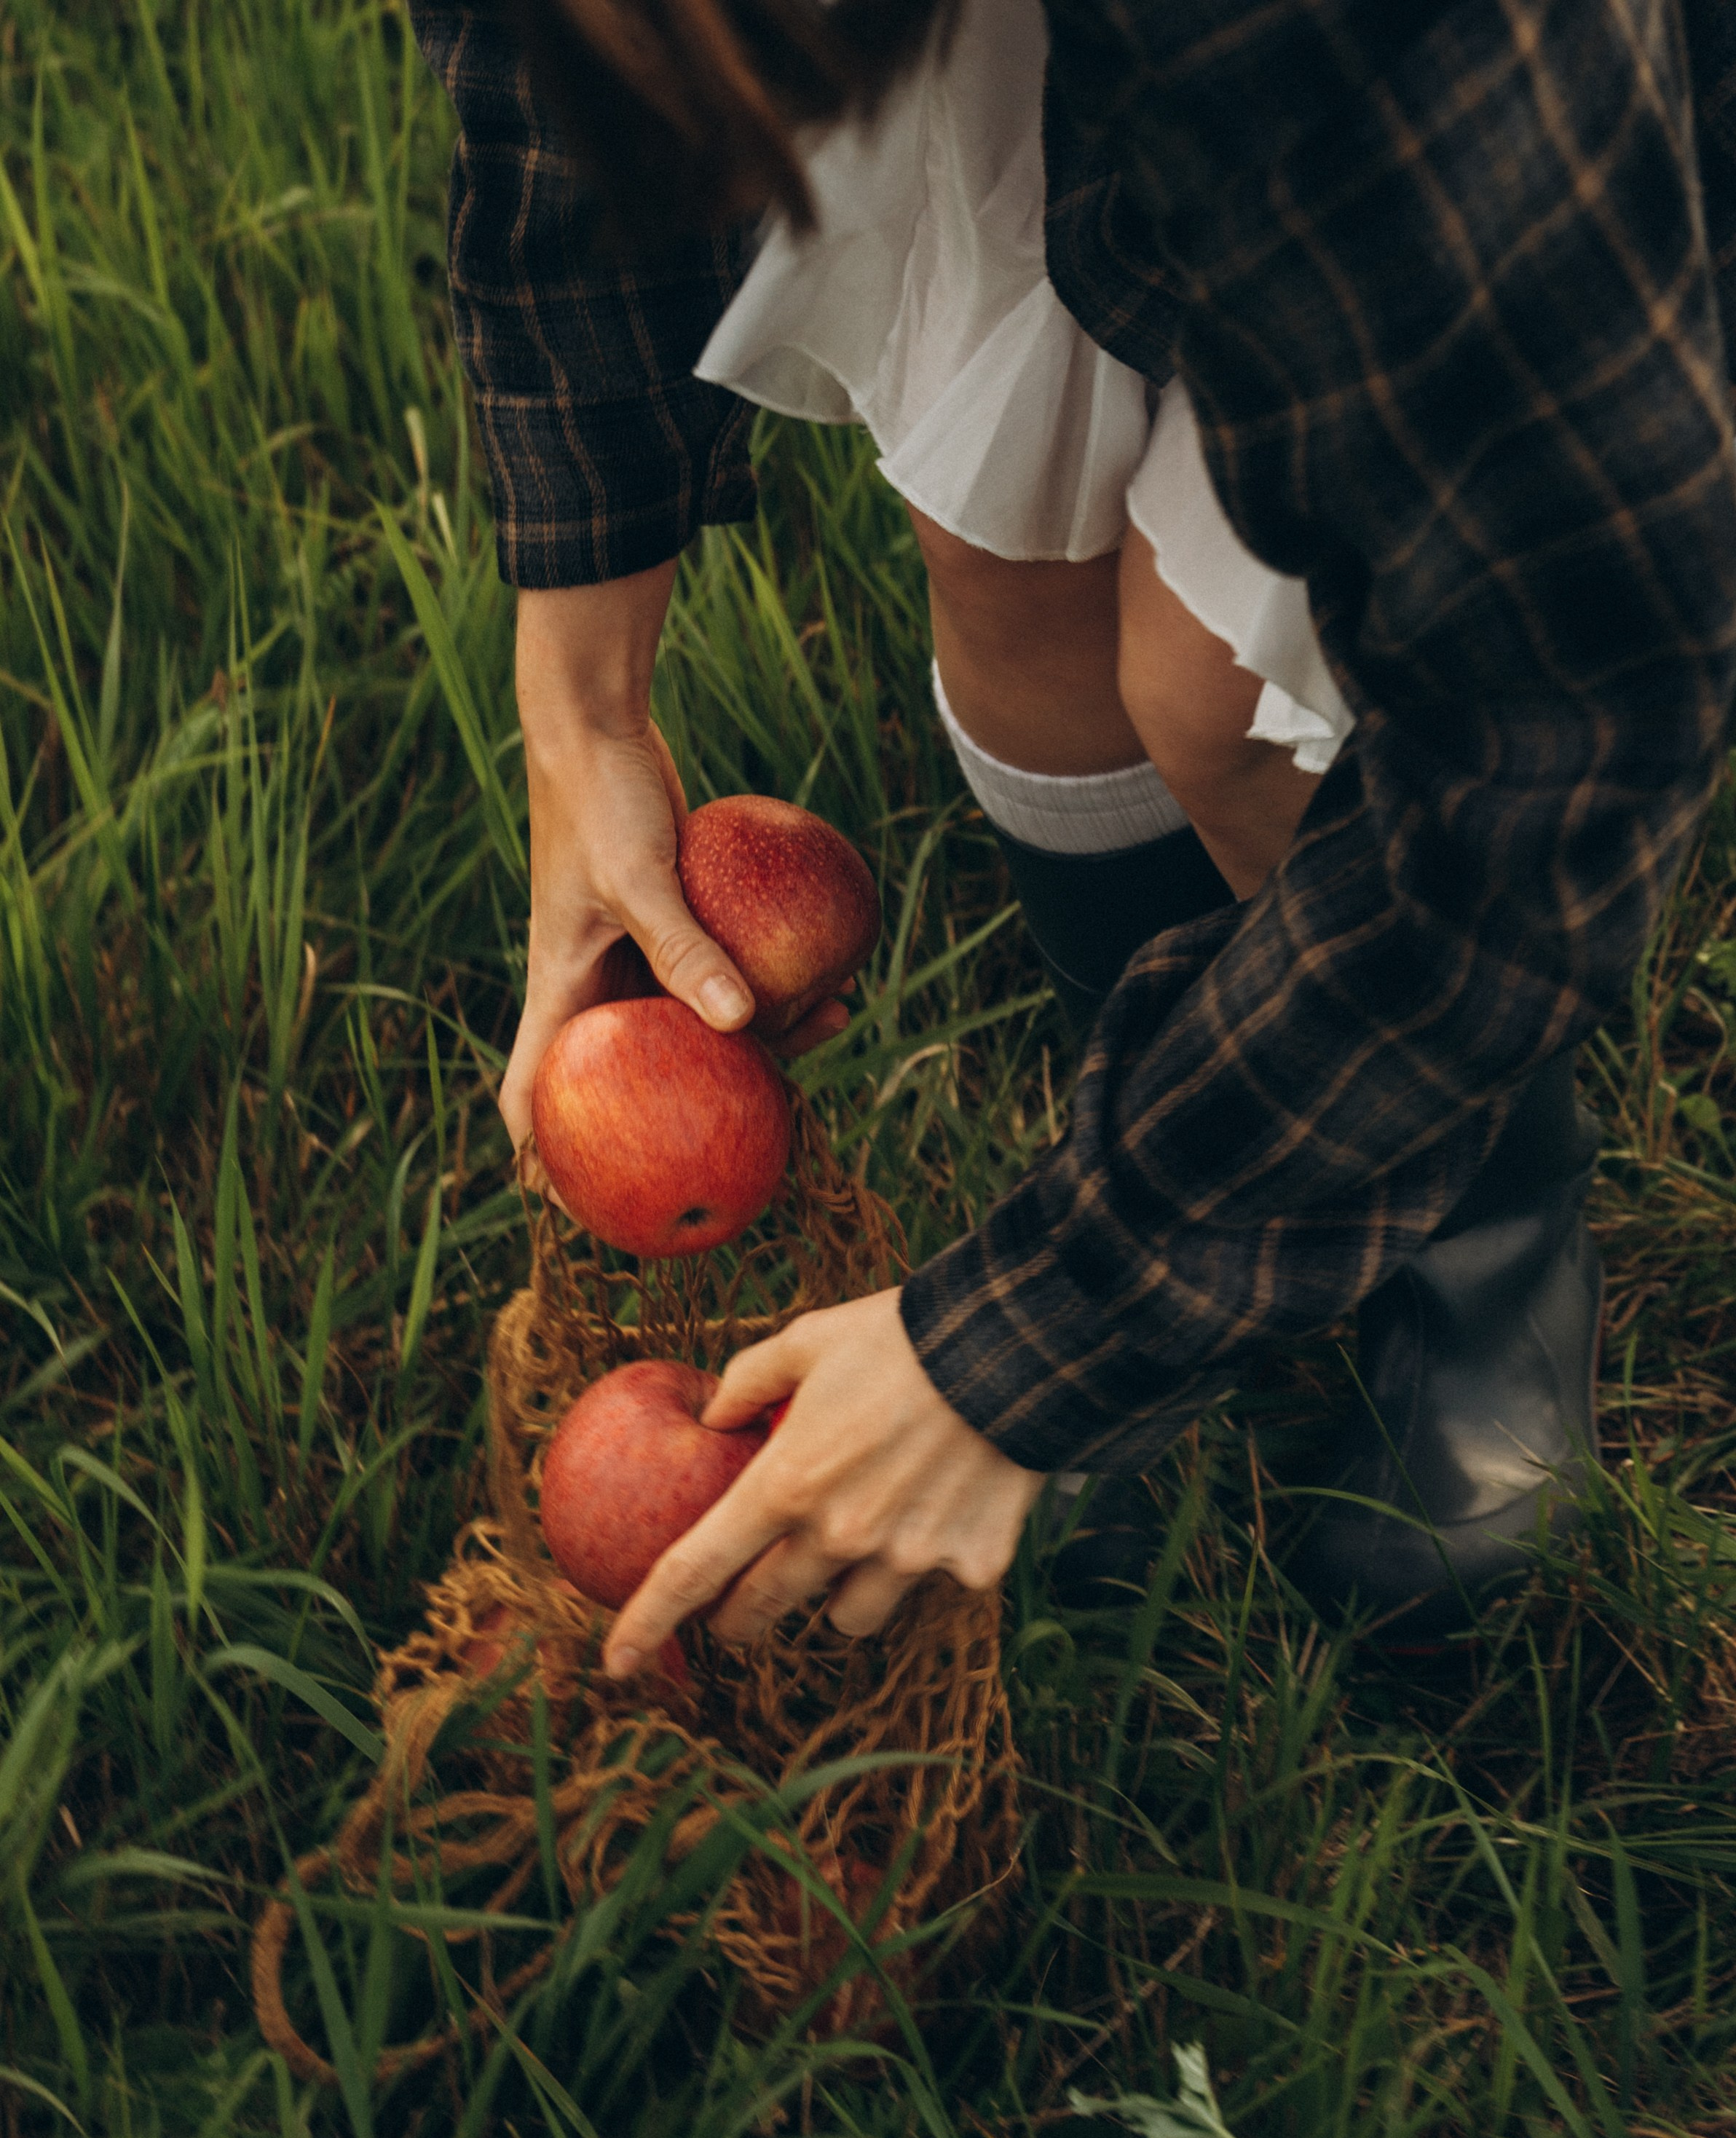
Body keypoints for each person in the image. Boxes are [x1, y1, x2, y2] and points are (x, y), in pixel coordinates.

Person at [408, 0, 1736, 1673]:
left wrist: (1039, 1336)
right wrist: (582, 699)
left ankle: (1482, 1230)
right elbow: (549, 85)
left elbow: (1564, 721)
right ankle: (1193, 1134)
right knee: (1011, 547)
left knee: (1213, 681)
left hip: (1380, 103)